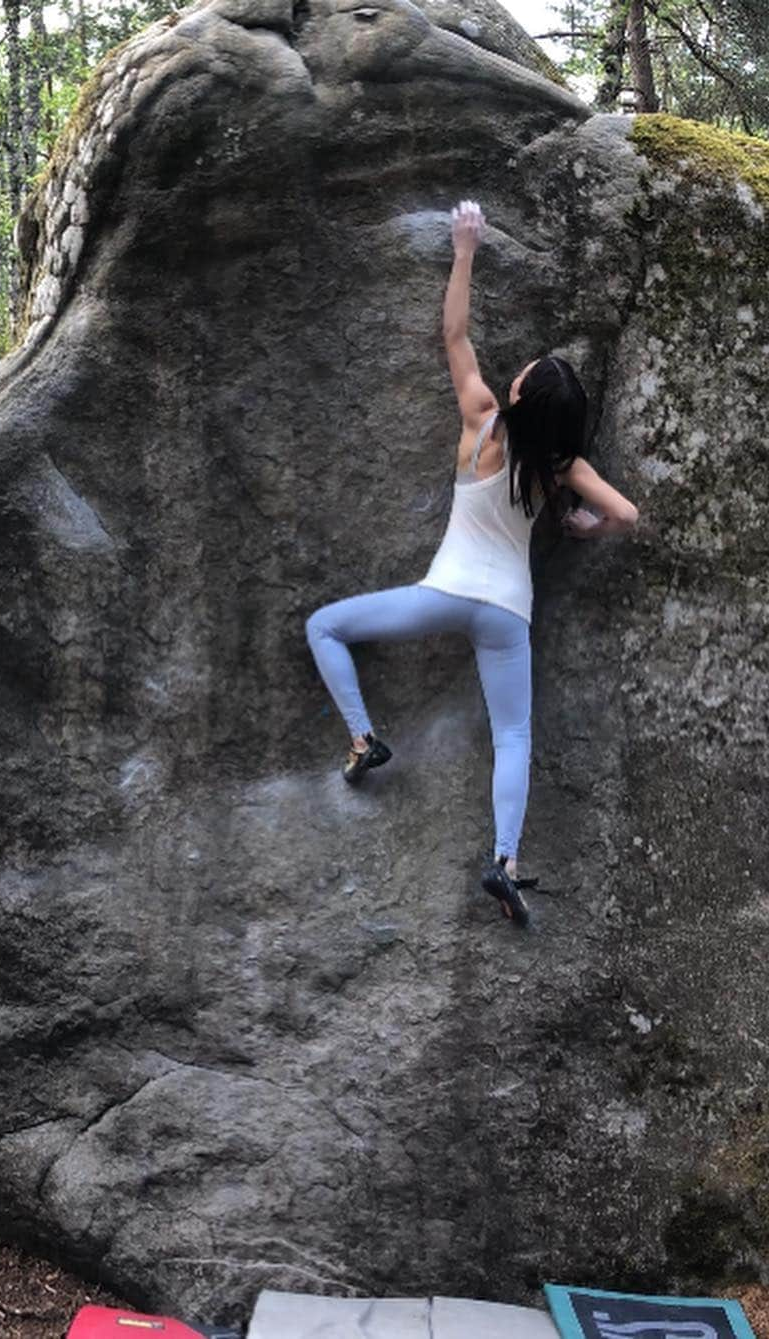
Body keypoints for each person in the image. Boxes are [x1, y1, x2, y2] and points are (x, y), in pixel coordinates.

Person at [305, 200, 638, 928]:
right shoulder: (562, 463)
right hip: (507, 614)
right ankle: (505, 861)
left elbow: (453, 333)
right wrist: (582, 528)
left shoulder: (483, 418)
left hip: (445, 592)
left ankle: (365, 739)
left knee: (325, 626)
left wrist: (465, 248)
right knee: (514, 734)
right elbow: (627, 514)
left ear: (520, 393)